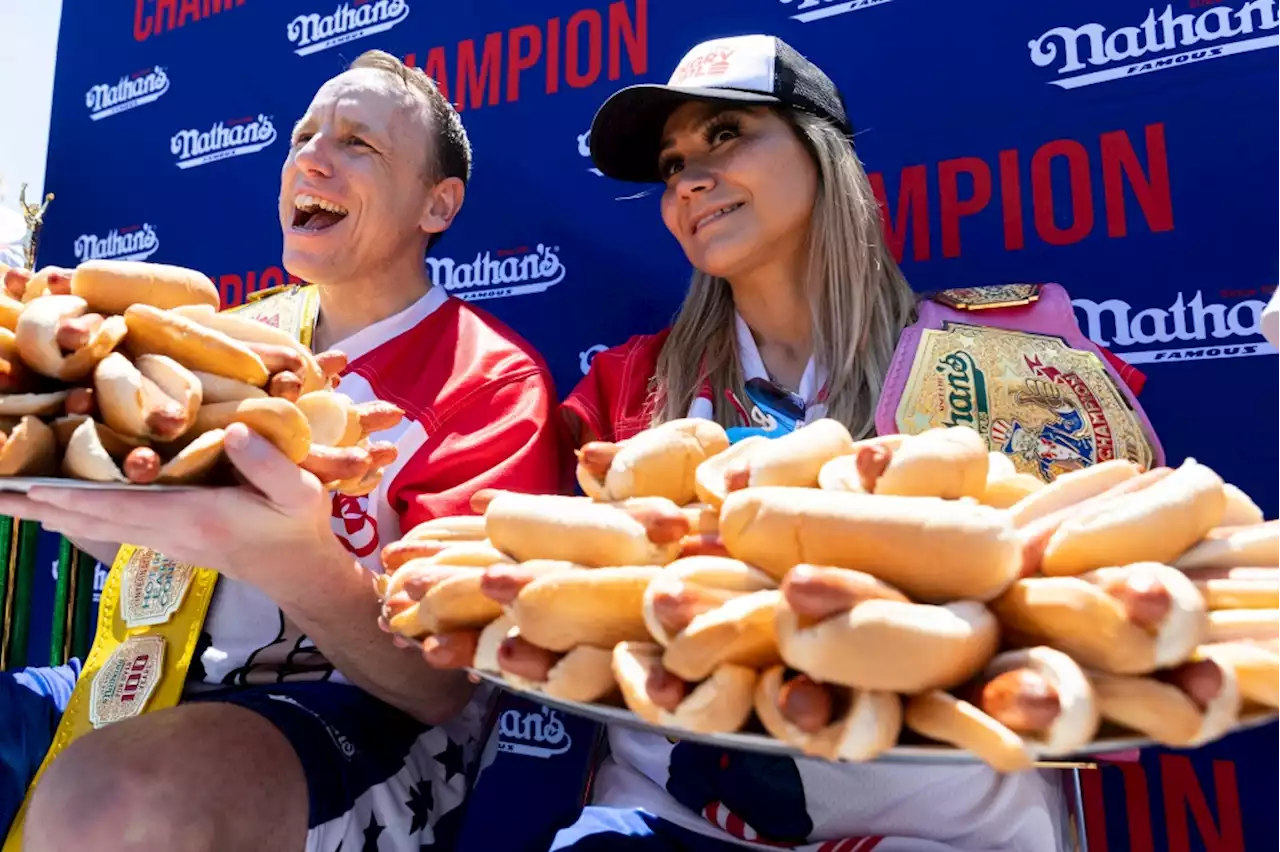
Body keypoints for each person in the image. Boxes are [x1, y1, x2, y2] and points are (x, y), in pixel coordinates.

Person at [541, 34, 1158, 852]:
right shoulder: (623, 391)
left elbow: (1114, 634)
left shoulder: (1007, 359)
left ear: (822, 153)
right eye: (671, 164)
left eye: (726, 134)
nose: (689, 178)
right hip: (662, 827)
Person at [0, 49, 566, 852]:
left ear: (436, 205)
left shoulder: (490, 379)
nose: (311, 156)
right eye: (303, 136)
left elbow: (439, 689)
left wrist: (289, 557)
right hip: (143, 677)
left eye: (357, 145)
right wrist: (55, 493)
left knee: (114, 802)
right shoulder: (239, 335)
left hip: (367, 720)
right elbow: (153, 546)